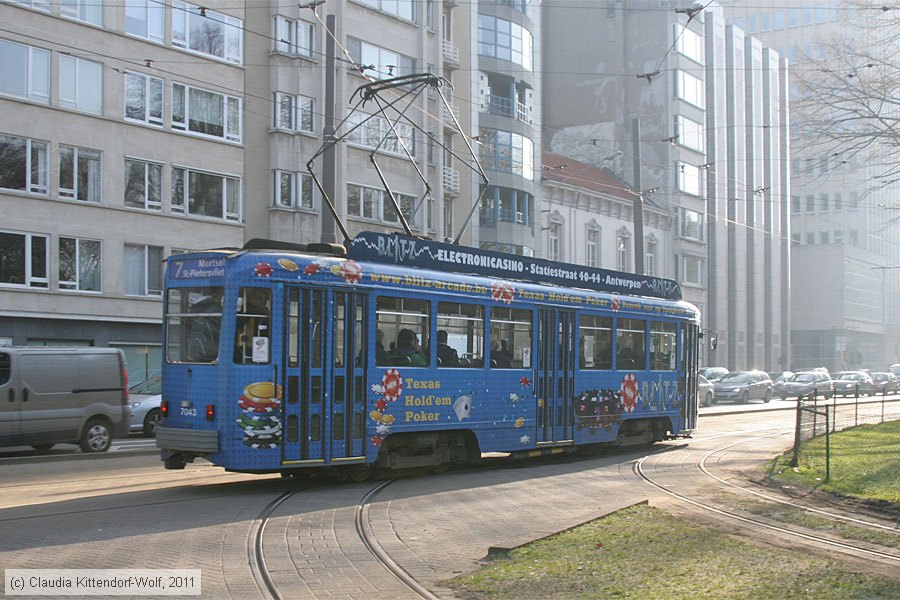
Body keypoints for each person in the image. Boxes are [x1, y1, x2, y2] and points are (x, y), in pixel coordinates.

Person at [186, 288, 223, 362]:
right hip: (211, 351)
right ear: (215, 294)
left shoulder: (195, 305)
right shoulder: (215, 306)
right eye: (220, 295)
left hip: (196, 351)